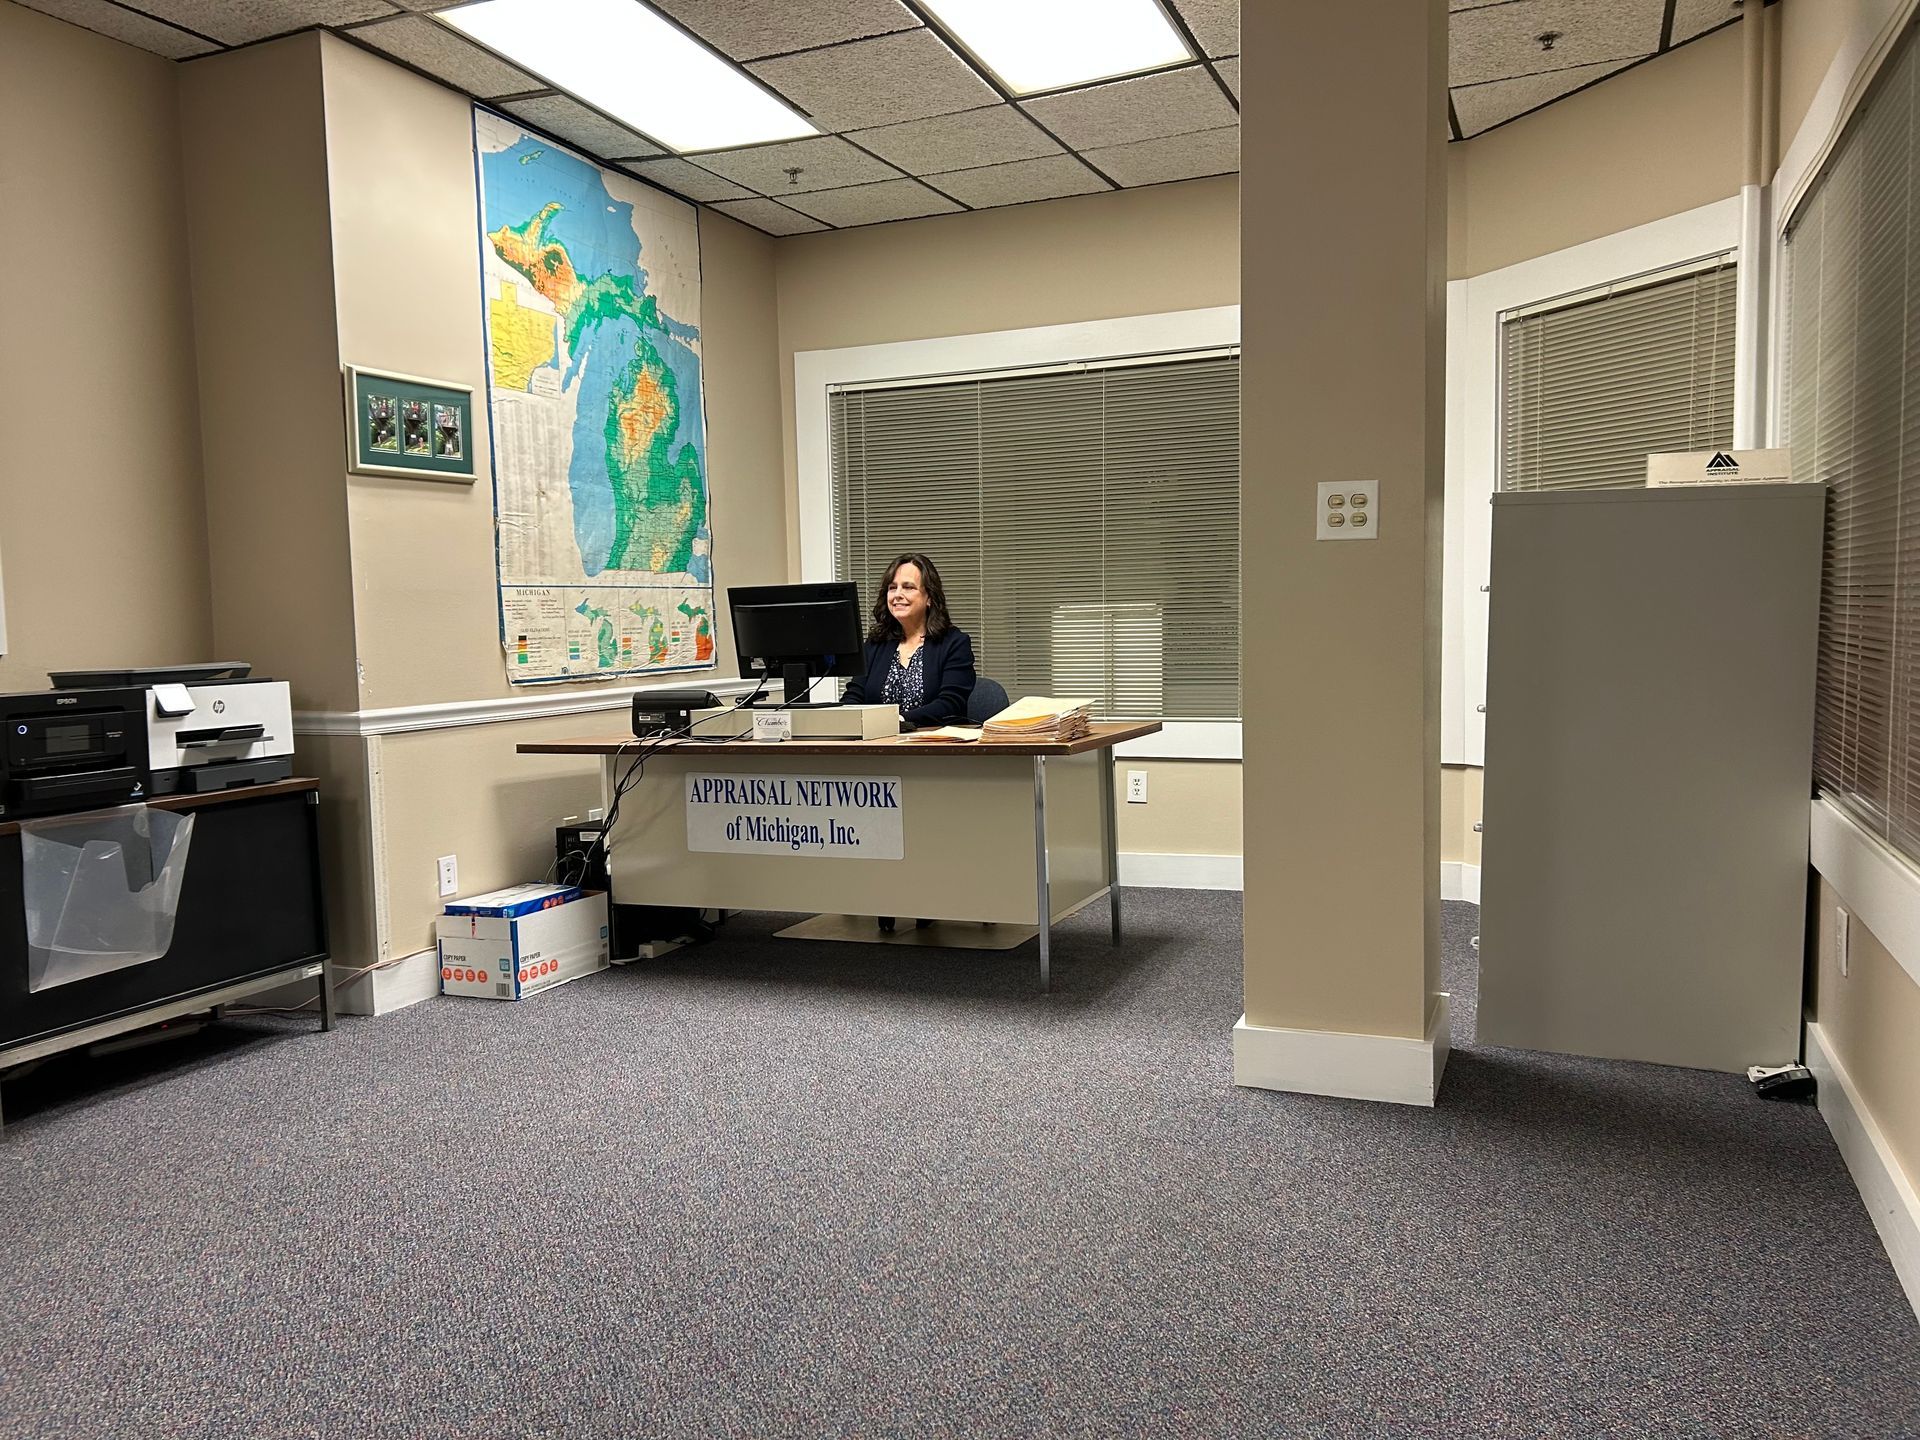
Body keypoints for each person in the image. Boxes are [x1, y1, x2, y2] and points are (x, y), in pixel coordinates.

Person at [842, 553, 977, 731]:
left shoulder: (954, 643)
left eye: (908, 587)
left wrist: (899, 720)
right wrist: (842, 717)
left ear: (929, 597)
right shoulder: (875, 644)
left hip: (934, 748)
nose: (897, 595)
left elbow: (950, 704)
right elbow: (854, 698)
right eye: (892, 587)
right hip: (877, 745)